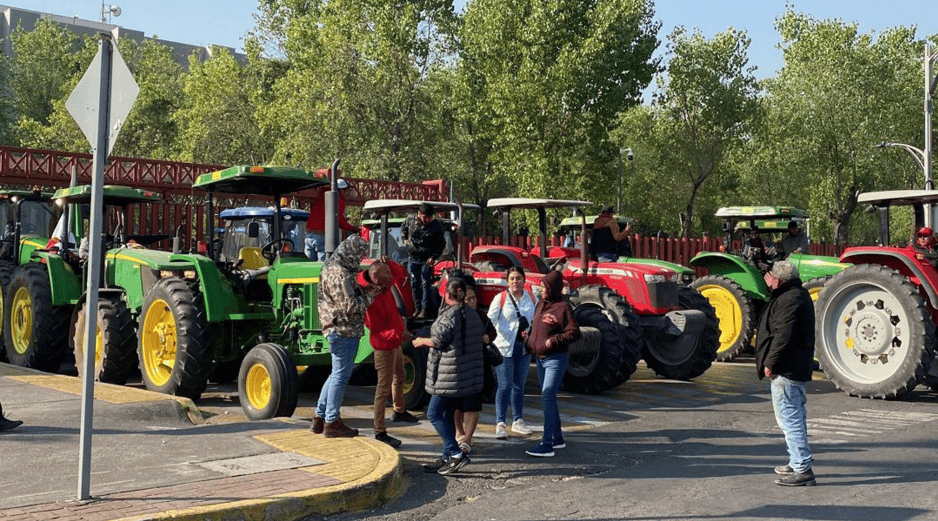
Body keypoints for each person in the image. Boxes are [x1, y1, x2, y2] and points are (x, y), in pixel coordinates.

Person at [412, 277, 485, 475]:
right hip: (465, 375)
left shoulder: (449, 315)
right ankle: (446, 457)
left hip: (448, 376)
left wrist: (421, 341)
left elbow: (438, 340)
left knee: (434, 414)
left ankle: (455, 453)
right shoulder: (472, 313)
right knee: (447, 414)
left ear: (446, 294)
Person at [755, 260, 816, 487]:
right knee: (793, 417)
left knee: (790, 419)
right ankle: (796, 460)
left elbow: (783, 335)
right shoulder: (796, 294)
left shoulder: (789, 299)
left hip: (787, 369)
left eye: (771, 276)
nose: (768, 279)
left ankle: (802, 468)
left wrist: (771, 362)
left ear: (778, 280)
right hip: (794, 367)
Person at [312, 235, 380, 437]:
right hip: (343, 330)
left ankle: (319, 416)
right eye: (359, 255)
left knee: (336, 374)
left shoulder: (331, 267)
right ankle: (331, 421)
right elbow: (349, 306)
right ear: (351, 253)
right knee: (340, 377)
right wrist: (373, 295)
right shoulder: (339, 273)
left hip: (337, 329)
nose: (360, 260)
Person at [360, 258, 420, 448]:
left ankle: (399, 410)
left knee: (399, 375)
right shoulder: (372, 297)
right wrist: (400, 334)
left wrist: (391, 263)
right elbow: (376, 328)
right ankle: (379, 430)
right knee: (383, 389)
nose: (390, 275)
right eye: (386, 272)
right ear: (375, 276)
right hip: (384, 346)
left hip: (394, 342)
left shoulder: (384, 287)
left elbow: (401, 275)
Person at [525, 270, 580, 457]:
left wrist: (552, 341)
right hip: (540, 359)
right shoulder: (540, 304)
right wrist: (529, 338)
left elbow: (574, 333)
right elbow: (537, 327)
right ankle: (557, 438)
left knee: (547, 396)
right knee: (549, 398)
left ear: (553, 288)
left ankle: (546, 443)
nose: (541, 290)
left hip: (555, 359)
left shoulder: (563, 308)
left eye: (544, 287)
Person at [486, 266, 537, 439]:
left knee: (519, 386)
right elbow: (489, 322)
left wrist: (529, 333)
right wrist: (489, 339)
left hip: (523, 348)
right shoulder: (500, 298)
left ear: (524, 280)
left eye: (518, 278)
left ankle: (518, 421)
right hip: (504, 347)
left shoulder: (532, 298)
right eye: (512, 278)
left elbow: (536, 320)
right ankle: (500, 423)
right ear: (507, 281)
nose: (515, 281)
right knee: (505, 385)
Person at [455, 279, 497, 455]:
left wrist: (488, 337)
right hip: (459, 366)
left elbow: (492, 331)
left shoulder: (481, 315)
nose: (472, 302)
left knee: (473, 404)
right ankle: (459, 432)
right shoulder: (456, 316)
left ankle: (468, 439)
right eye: (468, 299)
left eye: (474, 298)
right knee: (457, 403)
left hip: (478, 365)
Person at [401, 203, 445, 318]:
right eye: (425, 217)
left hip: (427, 258)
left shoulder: (436, 225)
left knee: (425, 283)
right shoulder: (410, 219)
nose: (427, 220)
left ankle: (425, 310)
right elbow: (403, 228)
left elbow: (441, 244)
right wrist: (404, 239)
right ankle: (417, 308)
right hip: (413, 257)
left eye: (430, 217)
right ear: (419, 215)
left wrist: (434, 257)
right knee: (414, 283)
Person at [305, 179, 358, 261]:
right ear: (341, 190)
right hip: (322, 235)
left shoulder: (322, 195)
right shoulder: (338, 200)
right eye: (347, 190)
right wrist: (353, 228)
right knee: (323, 264)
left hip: (309, 235)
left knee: (308, 264)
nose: (348, 193)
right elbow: (340, 222)